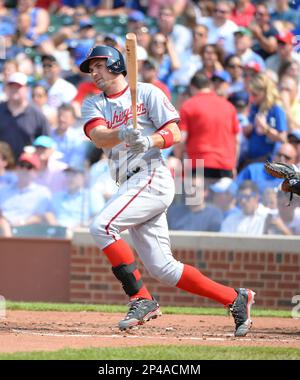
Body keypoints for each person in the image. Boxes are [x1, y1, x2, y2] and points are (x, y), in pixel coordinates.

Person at [79, 44, 255, 336]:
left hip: (151, 175)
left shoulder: (147, 92)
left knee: (102, 226)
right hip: (129, 183)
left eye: (98, 65)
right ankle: (235, 298)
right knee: (164, 268)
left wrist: (149, 141)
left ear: (114, 64)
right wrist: (121, 133)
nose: (94, 72)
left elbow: (174, 132)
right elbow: (98, 136)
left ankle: (141, 298)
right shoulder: (93, 103)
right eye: (91, 68)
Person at [0, 72, 50, 158]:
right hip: (2, 167)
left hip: (27, 167)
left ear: (27, 89)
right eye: (12, 86)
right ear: (7, 88)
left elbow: (45, 143)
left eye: (18, 87)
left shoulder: (37, 115)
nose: (14, 89)